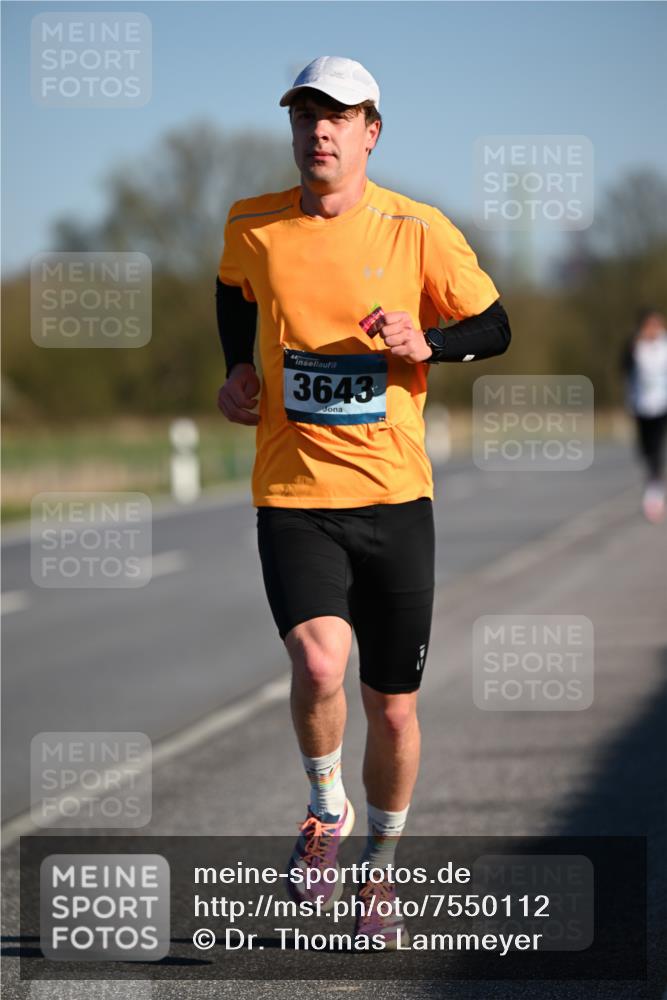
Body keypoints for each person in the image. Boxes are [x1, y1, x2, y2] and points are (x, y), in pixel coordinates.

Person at [215, 55, 511, 948]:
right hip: (294, 493)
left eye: (339, 116)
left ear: (370, 131)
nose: (320, 130)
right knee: (316, 665)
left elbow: (495, 326)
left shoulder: (418, 230)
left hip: (394, 499)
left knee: (393, 708)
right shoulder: (252, 223)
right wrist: (235, 367)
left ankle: (378, 876)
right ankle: (322, 812)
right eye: (306, 114)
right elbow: (233, 291)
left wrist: (432, 341)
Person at [621, 307, 667, 523]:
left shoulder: (664, 346)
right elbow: (625, 370)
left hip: (662, 405)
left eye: (656, 325)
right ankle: (653, 483)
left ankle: (654, 494)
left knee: (657, 448)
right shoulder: (635, 347)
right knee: (645, 450)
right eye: (649, 325)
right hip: (641, 406)